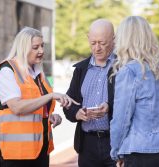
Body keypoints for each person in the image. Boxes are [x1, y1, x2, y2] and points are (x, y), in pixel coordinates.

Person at [0, 27, 79, 167]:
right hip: (16, 155)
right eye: (35, 47)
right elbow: (17, 107)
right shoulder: (7, 71)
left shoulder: (38, 73)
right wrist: (51, 96)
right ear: (23, 48)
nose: (41, 51)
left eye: (42, 46)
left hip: (40, 150)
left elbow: (36, 109)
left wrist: (49, 117)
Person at [110, 16, 159, 167]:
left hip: (143, 152)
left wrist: (116, 151)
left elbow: (121, 119)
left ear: (125, 39)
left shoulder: (128, 71)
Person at [63, 19, 116, 167]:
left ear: (113, 40)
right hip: (87, 145)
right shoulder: (80, 69)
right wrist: (77, 113)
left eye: (102, 43)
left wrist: (109, 106)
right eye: (93, 43)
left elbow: (131, 102)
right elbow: (69, 104)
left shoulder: (123, 68)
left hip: (115, 143)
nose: (97, 48)